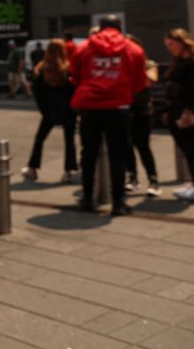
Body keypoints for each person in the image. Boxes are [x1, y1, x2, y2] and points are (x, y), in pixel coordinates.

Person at [70, 15, 147, 215]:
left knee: (89, 153)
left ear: (100, 27)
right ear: (120, 28)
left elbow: (75, 76)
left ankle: (87, 199)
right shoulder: (133, 49)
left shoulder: (84, 48)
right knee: (118, 155)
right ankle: (118, 202)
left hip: (90, 107)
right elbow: (140, 82)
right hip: (119, 107)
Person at [21, 39, 78, 182]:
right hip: (68, 111)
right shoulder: (68, 70)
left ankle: (33, 169)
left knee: (40, 139)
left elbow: (38, 94)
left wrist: (44, 111)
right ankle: (69, 171)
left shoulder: (42, 70)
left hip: (49, 111)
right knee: (69, 141)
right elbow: (74, 91)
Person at [124, 35, 160, 196]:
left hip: (143, 110)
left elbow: (151, 80)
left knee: (143, 146)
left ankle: (153, 180)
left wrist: (136, 66)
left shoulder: (148, 64)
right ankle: (132, 178)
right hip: (126, 109)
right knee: (127, 146)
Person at [163, 29, 194, 200]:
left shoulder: (190, 62)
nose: (169, 48)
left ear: (182, 42)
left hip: (185, 111)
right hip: (177, 109)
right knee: (187, 148)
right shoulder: (179, 61)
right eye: (167, 45)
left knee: (191, 148)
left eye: (171, 44)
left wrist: (188, 112)